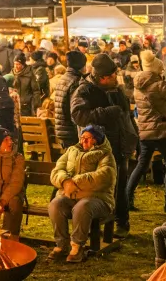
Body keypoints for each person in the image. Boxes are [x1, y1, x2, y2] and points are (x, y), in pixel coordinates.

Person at [70, 53, 135, 237]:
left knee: (120, 186)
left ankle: (122, 222)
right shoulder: (84, 91)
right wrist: (105, 113)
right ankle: (96, 226)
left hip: (120, 146)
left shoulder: (116, 90)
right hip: (98, 150)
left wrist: (133, 137)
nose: (116, 77)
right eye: (112, 75)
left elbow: (126, 117)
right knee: (98, 188)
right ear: (102, 77)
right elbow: (78, 115)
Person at [127, 50, 166, 213]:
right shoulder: (159, 85)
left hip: (145, 132)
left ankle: (128, 198)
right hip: (161, 132)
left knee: (141, 165)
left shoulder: (137, 85)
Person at [48, 126, 116, 263]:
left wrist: (75, 182)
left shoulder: (105, 154)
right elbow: (57, 170)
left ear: (96, 140)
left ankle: (77, 247)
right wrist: (65, 181)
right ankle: (62, 244)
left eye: (88, 138)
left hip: (98, 199)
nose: (83, 141)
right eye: (82, 137)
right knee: (55, 204)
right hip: (71, 196)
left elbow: (104, 177)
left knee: (82, 207)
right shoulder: (71, 150)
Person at [53, 50, 88, 149]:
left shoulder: (63, 78)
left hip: (62, 129)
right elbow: (74, 109)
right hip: (71, 131)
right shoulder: (76, 81)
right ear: (81, 66)